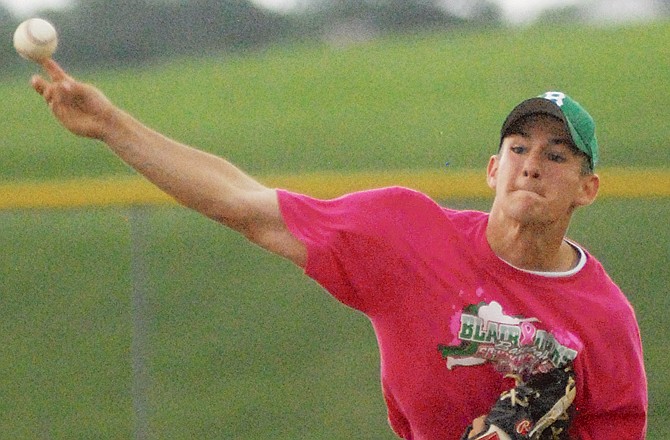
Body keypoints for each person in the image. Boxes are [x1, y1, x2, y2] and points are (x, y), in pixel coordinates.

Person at [31, 59, 647, 439]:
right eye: (519, 147)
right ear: (492, 168)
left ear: (587, 189)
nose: (532, 165)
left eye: (557, 154)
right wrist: (111, 124)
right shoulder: (405, 237)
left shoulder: (604, 319)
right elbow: (240, 203)